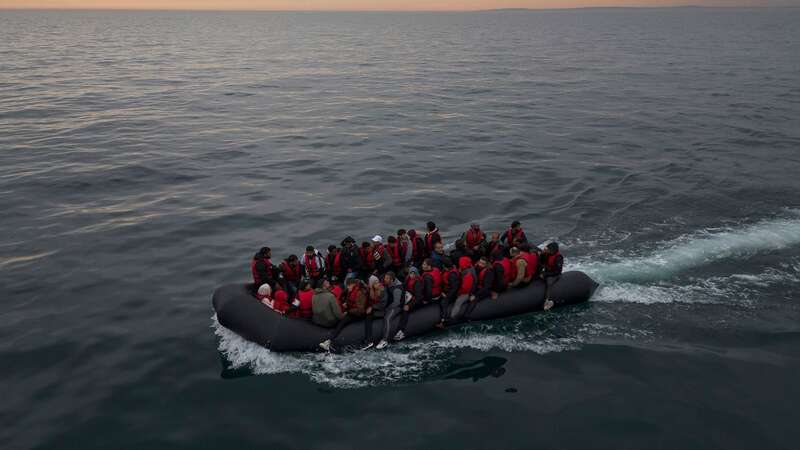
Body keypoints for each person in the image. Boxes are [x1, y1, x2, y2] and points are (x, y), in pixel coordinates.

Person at [319, 278, 369, 351]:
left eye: (348, 286)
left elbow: (360, 309)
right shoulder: (351, 291)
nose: (347, 287)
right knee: (341, 321)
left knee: (343, 322)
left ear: (353, 285)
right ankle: (329, 341)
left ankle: (329, 341)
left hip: (359, 314)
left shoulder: (359, 293)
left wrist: (348, 310)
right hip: (352, 311)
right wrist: (346, 305)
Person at [394, 267, 424, 341]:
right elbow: (404, 286)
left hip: (415, 301)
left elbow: (418, 298)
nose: (411, 275)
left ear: (416, 274)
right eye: (410, 273)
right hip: (408, 296)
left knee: (405, 311)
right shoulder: (408, 279)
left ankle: (402, 331)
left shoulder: (417, 282)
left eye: (413, 273)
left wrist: (409, 305)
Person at [449, 256, 476, 322]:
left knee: (458, 302)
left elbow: (465, 289)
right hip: (471, 288)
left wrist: (458, 293)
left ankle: (451, 317)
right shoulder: (470, 267)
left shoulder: (467, 275)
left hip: (467, 292)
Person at [436, 257, 460, 329]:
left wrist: (447, 296)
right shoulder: (447, 270)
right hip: (445, 290)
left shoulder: (452, 275)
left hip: (452, 293)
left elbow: (454, 288)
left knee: (443, 303)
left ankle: (444, 321)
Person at [540, 242, 564, 311]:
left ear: (553, 250)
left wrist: (545, 274)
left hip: (555, 274)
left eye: (548, 249)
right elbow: (542, 262)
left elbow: (558, 271)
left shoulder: (558, 257)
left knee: (549, 282)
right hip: (547, 272)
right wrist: (542, 254)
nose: (547, 250)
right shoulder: (547, 254)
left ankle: (548, 300)